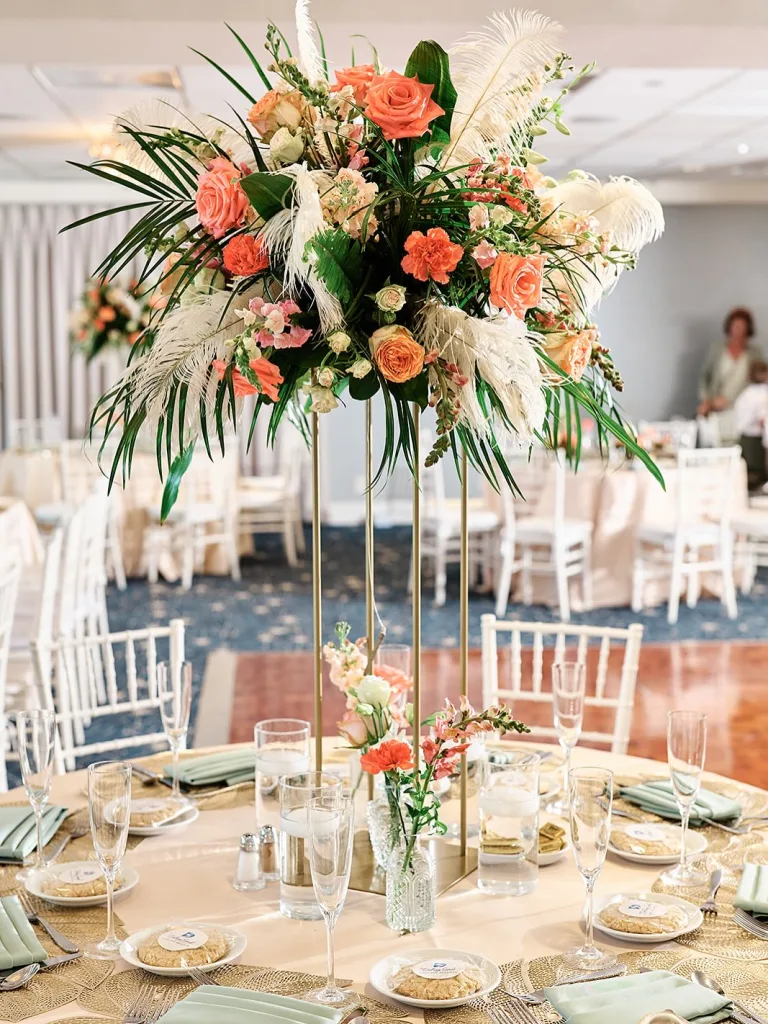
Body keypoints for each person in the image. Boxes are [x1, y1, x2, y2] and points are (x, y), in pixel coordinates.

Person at [698, 308, 763, 442]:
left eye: (742, 327)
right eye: (735, 326)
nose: (738, 330)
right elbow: (705, 377)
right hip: (716, 407)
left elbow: (758, 383)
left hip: (741, 410)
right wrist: (707, 400)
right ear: (729, 327)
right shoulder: (716, 350)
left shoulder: (755, 354)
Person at [734, 360, 768, 490]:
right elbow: (762, 419)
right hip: (753, 439)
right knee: (756, 469)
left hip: (746, 436)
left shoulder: (747, 393)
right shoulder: (760, 394)